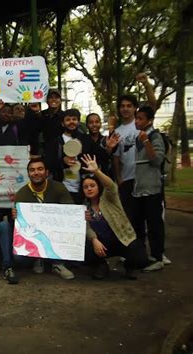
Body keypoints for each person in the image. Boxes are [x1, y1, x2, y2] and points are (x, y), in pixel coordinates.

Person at [80, 154, 148, 279]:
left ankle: (129, 266)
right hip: (102, 244)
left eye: (92, 185)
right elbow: (87, 228)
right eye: (86, 187)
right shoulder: (84, 207)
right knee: (84, 251)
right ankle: (101, 265)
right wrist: (94, 240)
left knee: (141, 259)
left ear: (98, 187)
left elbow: (111, 186)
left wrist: (96, 171)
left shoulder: (109, 198)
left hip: (121, 239)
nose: (89, 189)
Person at [13, 157, 75, 279]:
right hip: (34, 233)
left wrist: (79, 214)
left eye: (40, 169)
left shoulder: (59, 187)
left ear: (47, 172)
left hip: (57, 231)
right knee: (18, 258)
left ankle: (57, 263)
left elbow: (71, 211)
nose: (36, 172)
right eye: (32, 170)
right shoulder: (21, 194)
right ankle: (38, 258)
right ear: (28, 174)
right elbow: (20, 226)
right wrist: (15, 216)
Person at [132, 106, 167, 272]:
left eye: (140, 118)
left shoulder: (155, 136)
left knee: (154, 225)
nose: (137, 121)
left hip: (152, 189)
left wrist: (147, 141)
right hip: (138, 189)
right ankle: (142, 257)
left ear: (149, 120)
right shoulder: (138, 137)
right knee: (139, 225)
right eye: (136, 118)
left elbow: (157, 160)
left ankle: (158, 257)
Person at [112, 94, 139, 224]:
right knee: (130, 216)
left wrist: (145, 84)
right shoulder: (117, 131)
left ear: (135, 108)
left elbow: (153, 103)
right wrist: (119, 178)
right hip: (126, 180)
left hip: (143, 178)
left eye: (129, 106)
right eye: (122, 106)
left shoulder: (141, 124)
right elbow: (116, 157)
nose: (125, 109)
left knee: (146, 216)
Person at [86, 113, 120, 177]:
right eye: (91, 122)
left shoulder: (105, 140)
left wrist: (109, 148)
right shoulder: (82, 140)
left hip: (105, 176)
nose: (94, 125)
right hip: (88, 177)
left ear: (100, 124)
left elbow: (110, 156)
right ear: (87, 125)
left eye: (97, 122)